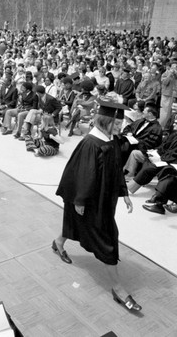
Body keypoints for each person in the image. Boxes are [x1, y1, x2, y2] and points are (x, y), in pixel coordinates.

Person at [53, 101, 141, 312]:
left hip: (104, 199)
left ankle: (58, 242)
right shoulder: (91, 143)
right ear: (106, 121)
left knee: (76, 223)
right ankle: (118, 288)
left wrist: (124, 192)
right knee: (107, 238)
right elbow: (83, 174)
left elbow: (116, 169)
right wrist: (80, 200)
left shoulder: (112, 140)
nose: (120, 127)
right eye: (117, 123)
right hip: (90, 200)